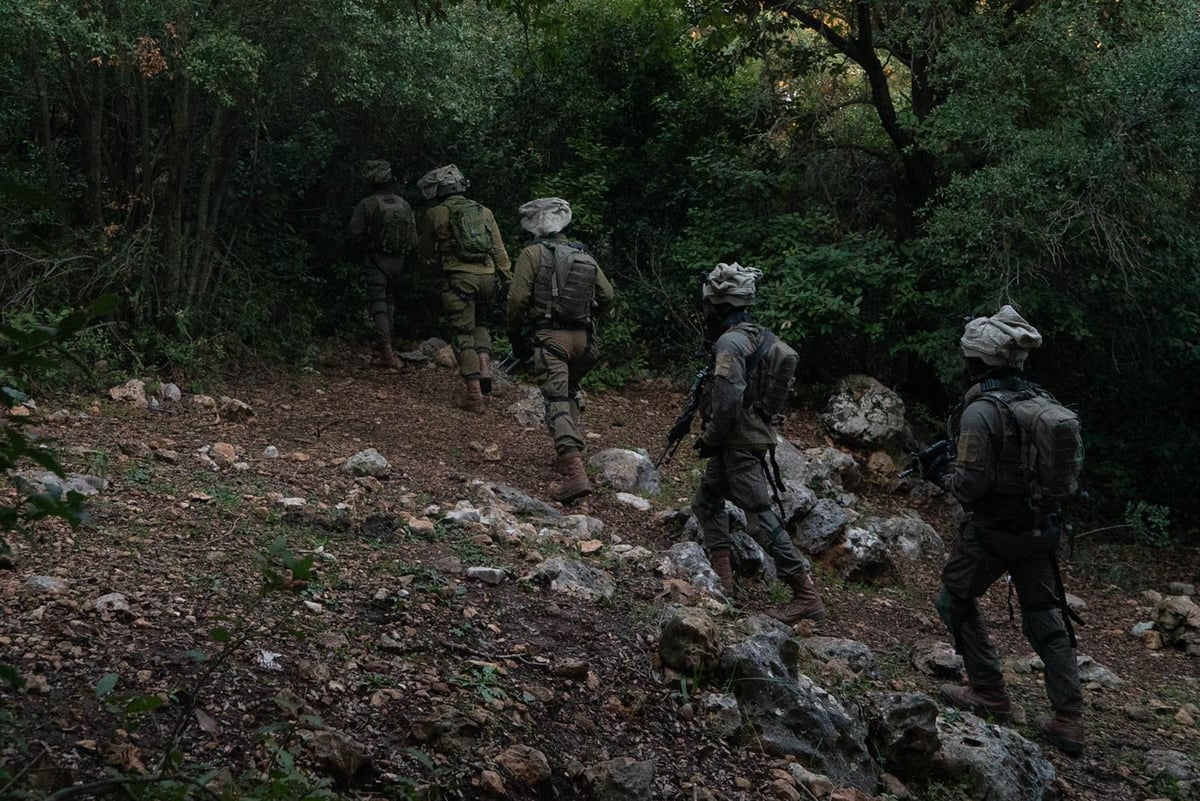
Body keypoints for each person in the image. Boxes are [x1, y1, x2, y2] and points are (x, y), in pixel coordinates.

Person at [934, 305, 1085, 756]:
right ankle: (1069, 718)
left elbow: (970, 485)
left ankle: (989, 692)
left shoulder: (981, 411)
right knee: (1045, 615)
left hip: (994, 531)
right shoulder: (1037, 401)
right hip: (1042, 528)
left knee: (954, 599)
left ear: (976, 361)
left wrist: (940, 476)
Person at [691, 262, 825, 624]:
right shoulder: (757, 335)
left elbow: (728, 399)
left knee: (760, 518)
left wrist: (710, 437)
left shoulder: (730, 343)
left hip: (738, 441)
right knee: (706, 501)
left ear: (720, 307)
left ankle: (805, 593)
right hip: (745, 437)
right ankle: (723, 581)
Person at [506, 197, 614, 503]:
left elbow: (516, 300)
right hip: (585, 342)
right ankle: (570, 454)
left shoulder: (532, 253)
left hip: (551, 340)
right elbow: (608, 296)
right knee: (568, 394)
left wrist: (515, 333)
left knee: (555, 400)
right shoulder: (585, 255)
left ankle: (573, 471)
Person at [417, 164, 512, 413]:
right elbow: (499, 251)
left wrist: (434, 266)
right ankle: (484, 369)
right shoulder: (483, 211)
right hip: (488, 278)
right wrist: (509, 280)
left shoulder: (436, 213)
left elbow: (425, 251)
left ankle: (473, 395)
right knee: (480, 324)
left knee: (462, 333)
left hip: (460, 279)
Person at [349, 160, 417, 369]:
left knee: (378, 304)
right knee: (389, 302)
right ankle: (387, 346)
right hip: (399, 260)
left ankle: (386, 352)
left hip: (376, 260)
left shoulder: (367, 205)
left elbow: (354, 234)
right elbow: (414, 239)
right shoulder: (403, 204)